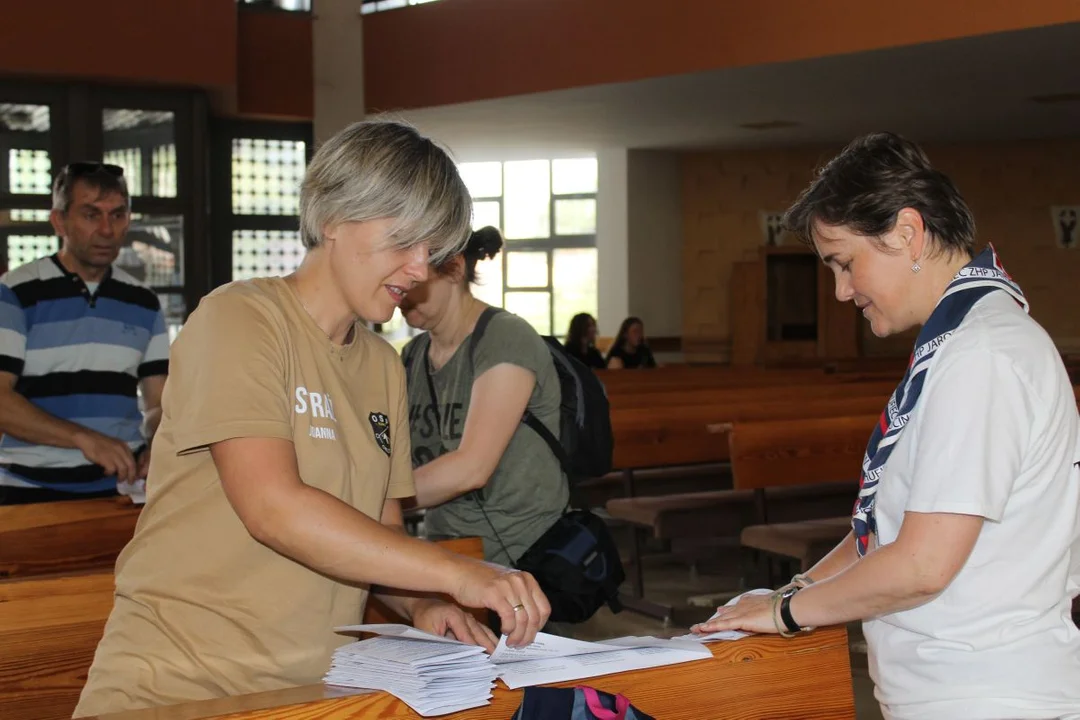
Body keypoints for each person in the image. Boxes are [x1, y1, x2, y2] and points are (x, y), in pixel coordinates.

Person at [74, 122, 550, 717]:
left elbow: (379, 534)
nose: (419, 268)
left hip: (312, 694)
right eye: (405, 240)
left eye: (432, 249)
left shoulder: (381, 365)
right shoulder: (240, 320)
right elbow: (273, 508)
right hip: (176, 684)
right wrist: (455, 572)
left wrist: (419, 604)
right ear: (333, 217)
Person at [693, 132, 1080, 720]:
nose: (843, 291)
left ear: (906, 233)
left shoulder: (982, 355)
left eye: (846, 264)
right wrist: (792, 591)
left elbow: (923, 565)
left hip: (984, 692)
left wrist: (787, 615)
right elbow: (884, 531)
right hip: (961, 688)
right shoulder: (966, 343)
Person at [399, 225, 568, 570]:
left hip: (525, 558)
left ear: (456, 268)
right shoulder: (413, 356)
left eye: (415, 276)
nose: (401, 286)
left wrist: (369, 501)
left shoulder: (504, 337)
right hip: (451, 550)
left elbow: (471, 468)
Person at [0, 162, 167, 504]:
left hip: (122, 492)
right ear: (59, 221)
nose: (107, 230)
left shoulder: (144, 302)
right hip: (28, 491)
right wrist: (83, 438)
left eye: (117, 215)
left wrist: (160, 442)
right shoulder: (14, 292)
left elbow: (158, 404)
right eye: (91, 215)